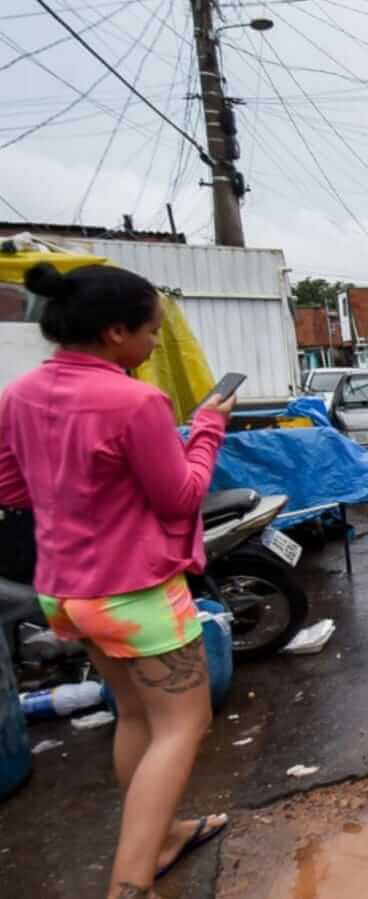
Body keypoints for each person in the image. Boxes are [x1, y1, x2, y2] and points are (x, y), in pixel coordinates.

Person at [0, 263, 233, 899]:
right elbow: (181, 496)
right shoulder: (135, 400)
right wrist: (209, 428)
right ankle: (130, 885)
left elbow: (12, 489)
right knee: (182, 725)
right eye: (152, 332)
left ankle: (160, 838)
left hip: (64, 592)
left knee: (134, 713)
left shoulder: (19, 394)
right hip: (135, 592)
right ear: (115, 332)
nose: (155, 344)